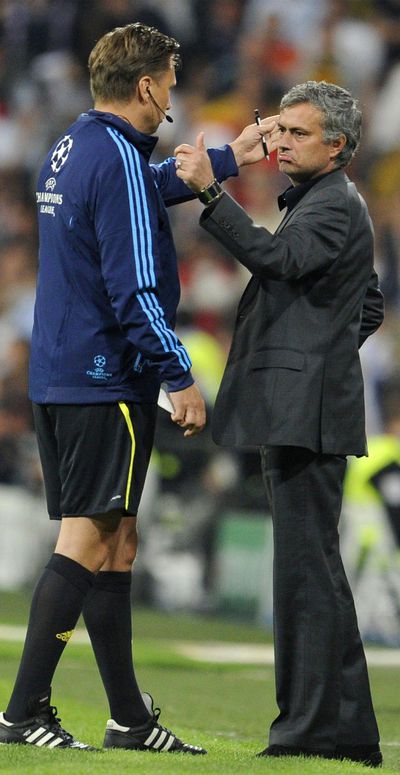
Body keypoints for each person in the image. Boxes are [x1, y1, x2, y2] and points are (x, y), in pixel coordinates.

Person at [0, 22, 273, 753]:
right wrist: (179, 374)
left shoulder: (73, 145)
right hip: (104, 377)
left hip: (62, 371)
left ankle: (129, 719)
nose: (172, 98)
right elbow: (135, 288)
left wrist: (227, 158)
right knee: (88, 538)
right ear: (147, 85)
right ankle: (23, 711)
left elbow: (136, 195)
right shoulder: (118, 155)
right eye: (171, 84)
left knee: (118, 541)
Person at [174, 80, 384, 767]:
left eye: (297, 133)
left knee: (304, 578)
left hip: (304, 415)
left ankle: (306, 731)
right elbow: (369, 305)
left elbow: (276, 260)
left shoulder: (332, 203)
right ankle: (346, 733)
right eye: (280, 128)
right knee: (314, 572)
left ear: (338, 146)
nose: (280, 142)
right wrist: (319, 357)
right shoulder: (328, 201)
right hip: (305, 407)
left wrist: (211, 193)